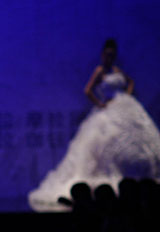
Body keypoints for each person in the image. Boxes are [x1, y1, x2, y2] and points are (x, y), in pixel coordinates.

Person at [29, 39, 160, 210]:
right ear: (103, 55)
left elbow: (130, 82)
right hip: (108, 110)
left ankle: (136, 185)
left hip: (126, 108)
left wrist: (126, 95)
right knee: (103, 144)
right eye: (107, 54)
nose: (109, 57)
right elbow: (87, 90)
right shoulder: (100, 71)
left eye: (112, 55)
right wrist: (100, 103)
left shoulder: (117, 70)